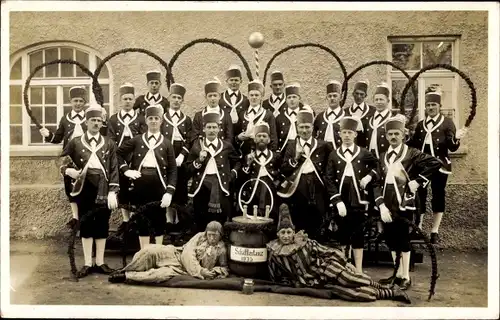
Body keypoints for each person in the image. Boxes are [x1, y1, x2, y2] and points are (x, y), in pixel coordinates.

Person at [266, 204, 411, 304]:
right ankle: (393, 293)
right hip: (314, 282)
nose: (286, 236)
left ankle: (388, 288)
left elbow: (327, 251)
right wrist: (293, 282)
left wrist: (346, 263)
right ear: (278, 234)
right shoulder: (275, 252)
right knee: (352, 294)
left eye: (288, 232)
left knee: (351, 279)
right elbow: (276, 276)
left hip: (327, 269)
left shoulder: (304, 242)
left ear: (293, 232)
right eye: (283, 233)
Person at [373, 115, 442, 290]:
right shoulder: (383, 156)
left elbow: (436, 163)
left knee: (403, 240)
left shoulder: (411, 153)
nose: (393, 137)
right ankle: (396, 274)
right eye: (390, 134)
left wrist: (418, 181)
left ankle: (406, 276)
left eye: (397, 133)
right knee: (390, 240)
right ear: (386, 136)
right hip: (386, 206)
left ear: (403, 135)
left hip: (405, 203)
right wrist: (380, 205)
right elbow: (377, 183)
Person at [59, 105, 119, 278]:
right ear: (86, 122)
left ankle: (99, 262)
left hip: (103, 186)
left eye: (99, 121)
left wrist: (113, 191)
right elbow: (61, 159)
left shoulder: (109, 143)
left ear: (102, 123)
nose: (95, 123)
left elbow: (114, 168)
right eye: (92, 120)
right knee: (86, 225)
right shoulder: (76, 142)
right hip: (84, 186)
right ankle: (86, 263)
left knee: (101, 224)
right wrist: (67, 170)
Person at [408, 91, 468, 244]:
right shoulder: (421, 124)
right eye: (428, 105)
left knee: (438, 195)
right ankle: (418, 227)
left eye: (433, 105)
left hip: (440, 165)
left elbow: (452, 148)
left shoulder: (447, 122)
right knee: (419, 195)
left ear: (439, 106)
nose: (430, 107)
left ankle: (435, 230)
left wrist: (457, 138)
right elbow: (414, 145)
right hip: (423, 167)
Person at [116, 104, 177, 249]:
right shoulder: (137, 140)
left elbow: (173, 170)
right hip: (140, 183)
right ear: (146, 121)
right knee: (142, 219)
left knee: (159, 219)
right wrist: (126, 170)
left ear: (161, 121)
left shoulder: (167, 143)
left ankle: (157, 253)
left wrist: (169, 192)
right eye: (151, 118)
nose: (154, 121)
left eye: (157, 118)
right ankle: (144, 253)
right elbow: (117, 153)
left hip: (159, 183)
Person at [324, 117, 379, 274]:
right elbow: (328, 178)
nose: (347, 135)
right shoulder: (334, 155)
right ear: (340, 134)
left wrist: (369, 176)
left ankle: (359, 269)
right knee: (343, 233)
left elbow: (378, 165)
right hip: (342, 198)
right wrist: (336, 200)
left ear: (355, 135)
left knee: (358, 233)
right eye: (344, 132)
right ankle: (344, 267)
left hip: (358, 199)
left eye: (350, 132)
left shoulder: (363, 153)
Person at [108, 221, 229, 283]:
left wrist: (213, 272)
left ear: (220, 235)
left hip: (182, 270)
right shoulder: (199, 236)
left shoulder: (221, 249)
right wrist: (200, 271)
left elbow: (224, 268)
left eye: (215, 235)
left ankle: (126, 276)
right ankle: (125, 269)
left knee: (158, 275)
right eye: (210, 235)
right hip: (177, 254)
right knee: (149, 251)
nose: (212, 238)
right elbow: (188, 253)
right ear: (206, 233)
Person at [39, 86, 90, 226]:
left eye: (81, 101)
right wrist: (48, 135)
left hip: (88, 158)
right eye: (75, 101)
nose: (78, 103)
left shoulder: (90, 118)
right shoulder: (65, 119)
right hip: (70, 158)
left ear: (85, 102)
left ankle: (86, 217)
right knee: (70, 188)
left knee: (87, 188)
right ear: (70, 102)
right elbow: (58, 138)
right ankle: (75, 218)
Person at [277, 109, 331, 239]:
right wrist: (295, 158)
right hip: (298, 187)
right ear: (297, 128)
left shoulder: (322, 146)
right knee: (300, 218)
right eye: (301, 127)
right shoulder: (291, 145)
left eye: (307, 127)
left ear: (312, 128)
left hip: (317, 187)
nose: (304, 131)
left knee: (318, 220)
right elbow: (284, 169)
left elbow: (330, 167)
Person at [186, 111, 241, 231]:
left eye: (214, 127)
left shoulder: (226, 146)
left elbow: (237, 161)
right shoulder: (196, 146)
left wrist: (231, 175)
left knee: (220, 218)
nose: (211, 130)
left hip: (220, 185)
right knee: (201, 218)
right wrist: (199, 160)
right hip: (201, 186)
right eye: (209, 127)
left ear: (219, 129)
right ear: (203, 129)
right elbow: (188, 168)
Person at [107, 83, 146, 228]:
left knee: (137, 189)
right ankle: (125, 220)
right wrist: (120, 160)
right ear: (120, 101)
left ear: (134, 100)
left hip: (137, 158)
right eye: (125, 99)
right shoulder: (113, 119)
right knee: (122, 188)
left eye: (130, 99)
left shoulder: (141, 118)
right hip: (119, 157)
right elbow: (111, 142)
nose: (128, 101)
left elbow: (144, 138)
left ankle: (136, 220)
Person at [160, 83, 193, 228]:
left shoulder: (186, 119)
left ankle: (178, 222)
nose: (176, 100)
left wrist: (182, 155)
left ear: (182, 101)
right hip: (166, 154)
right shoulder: (162, 118)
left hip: (181, 156)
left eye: (179, 98)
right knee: (167, 186)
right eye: (174, 97)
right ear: (169, 98)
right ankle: (168, 220)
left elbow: (190, 140)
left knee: (180, 187)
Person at [239, 122, 281, 222]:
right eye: (259, 136)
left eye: (264, 136)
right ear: (255, 139)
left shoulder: (276, 157)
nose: (261, 138)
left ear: (269, 139)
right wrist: (248, 164)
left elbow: (281, 174)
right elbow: (241, 178)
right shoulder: (248, 157)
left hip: (270, 194)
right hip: (254, 194)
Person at [235, 79, 278, 158]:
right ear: (248, 96)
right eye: (251, 95)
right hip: (244, 154)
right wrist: (238, 137)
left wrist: (270, 156)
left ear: (261, 97)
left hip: (262, 154)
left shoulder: (268, 115)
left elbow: (273, 138)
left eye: (257, 95)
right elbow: (236, 135)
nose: (254, 97)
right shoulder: (242, 114)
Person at [192, 79, 234, 145]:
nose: (212, 98)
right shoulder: (199, 116)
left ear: (219, 96)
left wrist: (222, 150)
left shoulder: (226, 115)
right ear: (205, 97)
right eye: (210, 96)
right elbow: (194, 138)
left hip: (222, 152)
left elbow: (229, 137)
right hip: (204, 151)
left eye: (215, 95)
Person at [275, 82, 313, 154]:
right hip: (284, 149)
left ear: (299, 98)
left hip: (302, 147)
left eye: (294, 97)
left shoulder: (305, 114)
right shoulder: (280, 117)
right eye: (289, 97)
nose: (292, 100)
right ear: (286, 100)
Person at [314, 80, 345, 150]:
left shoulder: (346, 116)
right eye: (329, 96)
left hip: (339, 153)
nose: (332, 98)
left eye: (335, 96)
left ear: (340, 98)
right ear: (326, 98)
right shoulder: (320, 117)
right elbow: (313, 134)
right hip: (322, 153)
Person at [344, 80, 375, 148]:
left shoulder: (372, 111)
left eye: (362, 94)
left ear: (365, 95)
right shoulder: (345, 112)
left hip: (366, 147)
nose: (359, 96)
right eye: (357, 93)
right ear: (353, 94)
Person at [219, 64, 250, 129]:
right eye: (231, 80)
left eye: (236, 80)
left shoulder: (246, 100)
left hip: (240, 134)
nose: (234, 82)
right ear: (226, 81)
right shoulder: (220, 98)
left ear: (241, 81)